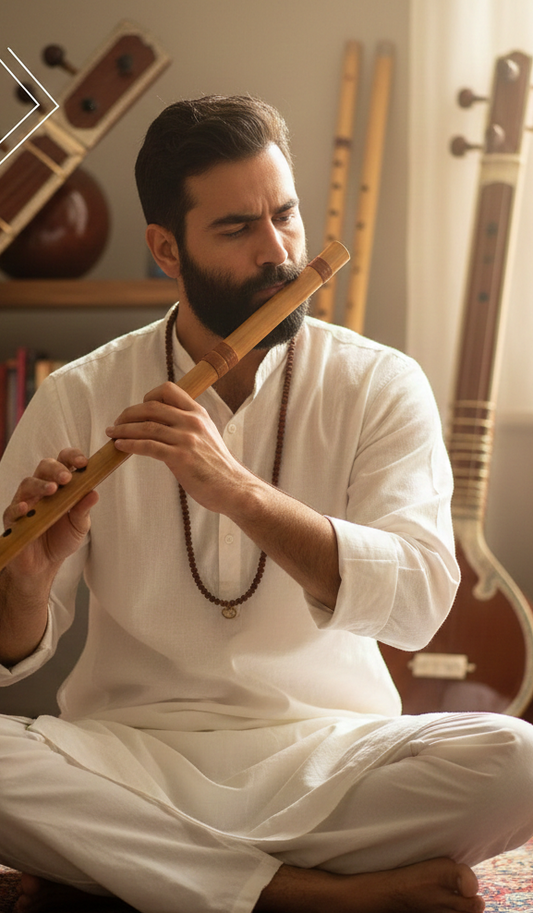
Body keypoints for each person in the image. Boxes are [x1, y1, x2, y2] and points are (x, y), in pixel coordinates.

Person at [0, 95, 532, 913]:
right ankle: (311, 895)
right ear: (165, 249)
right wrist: (28, 584)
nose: (280, 252)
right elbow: (14, 650)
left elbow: (421, 603)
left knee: (517, 762)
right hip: (130, 754)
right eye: (238, 228)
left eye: (284, 215)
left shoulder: (379, 383)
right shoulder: (78, 392)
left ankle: (122, 867)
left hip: (330, 755)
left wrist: (237, 490)